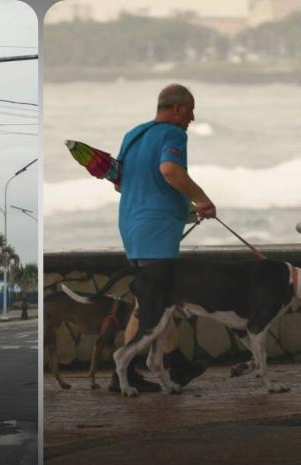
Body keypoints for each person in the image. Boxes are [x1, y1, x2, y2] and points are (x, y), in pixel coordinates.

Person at [108, 83, 216, 393]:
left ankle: (166, 365)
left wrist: (180, 209)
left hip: (131, 225)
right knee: (156, 300)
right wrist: (202, 200)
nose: (192, 118)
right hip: (156, 231)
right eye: (190, 111)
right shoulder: (173, 134)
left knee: (151, 299)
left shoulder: (134, 135)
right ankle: (162, 366)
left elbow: (118, 182)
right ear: (178, 108)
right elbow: (169, 170)